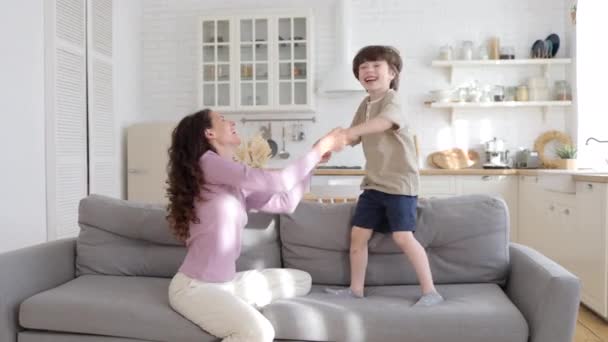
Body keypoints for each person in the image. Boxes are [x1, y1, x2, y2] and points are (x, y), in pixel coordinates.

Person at [166, 109, 346, 342]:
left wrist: (313, 164)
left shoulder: (233, 180)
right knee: (260, 333)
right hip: (196, 288)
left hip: (227, 285)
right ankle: (236, 313)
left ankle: (233, 306)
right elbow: (279, 182)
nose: (231, 121)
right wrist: (318, 148)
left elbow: (285, 202)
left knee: (302, 280)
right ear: (208, 132)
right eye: (222, 119)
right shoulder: (207, 163)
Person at [325, 45, 443, 306]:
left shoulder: (392, 99)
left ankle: (431, 292)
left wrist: (347, 134)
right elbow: (355, 134)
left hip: (400, 183)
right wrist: (331, 146)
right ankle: (356, 290)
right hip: (374, 183)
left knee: (403, 236)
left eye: (375, 65)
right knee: (358, 236)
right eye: (363, 67)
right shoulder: (366, 103)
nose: (368, 70)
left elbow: (384, 123)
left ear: (392, 73)